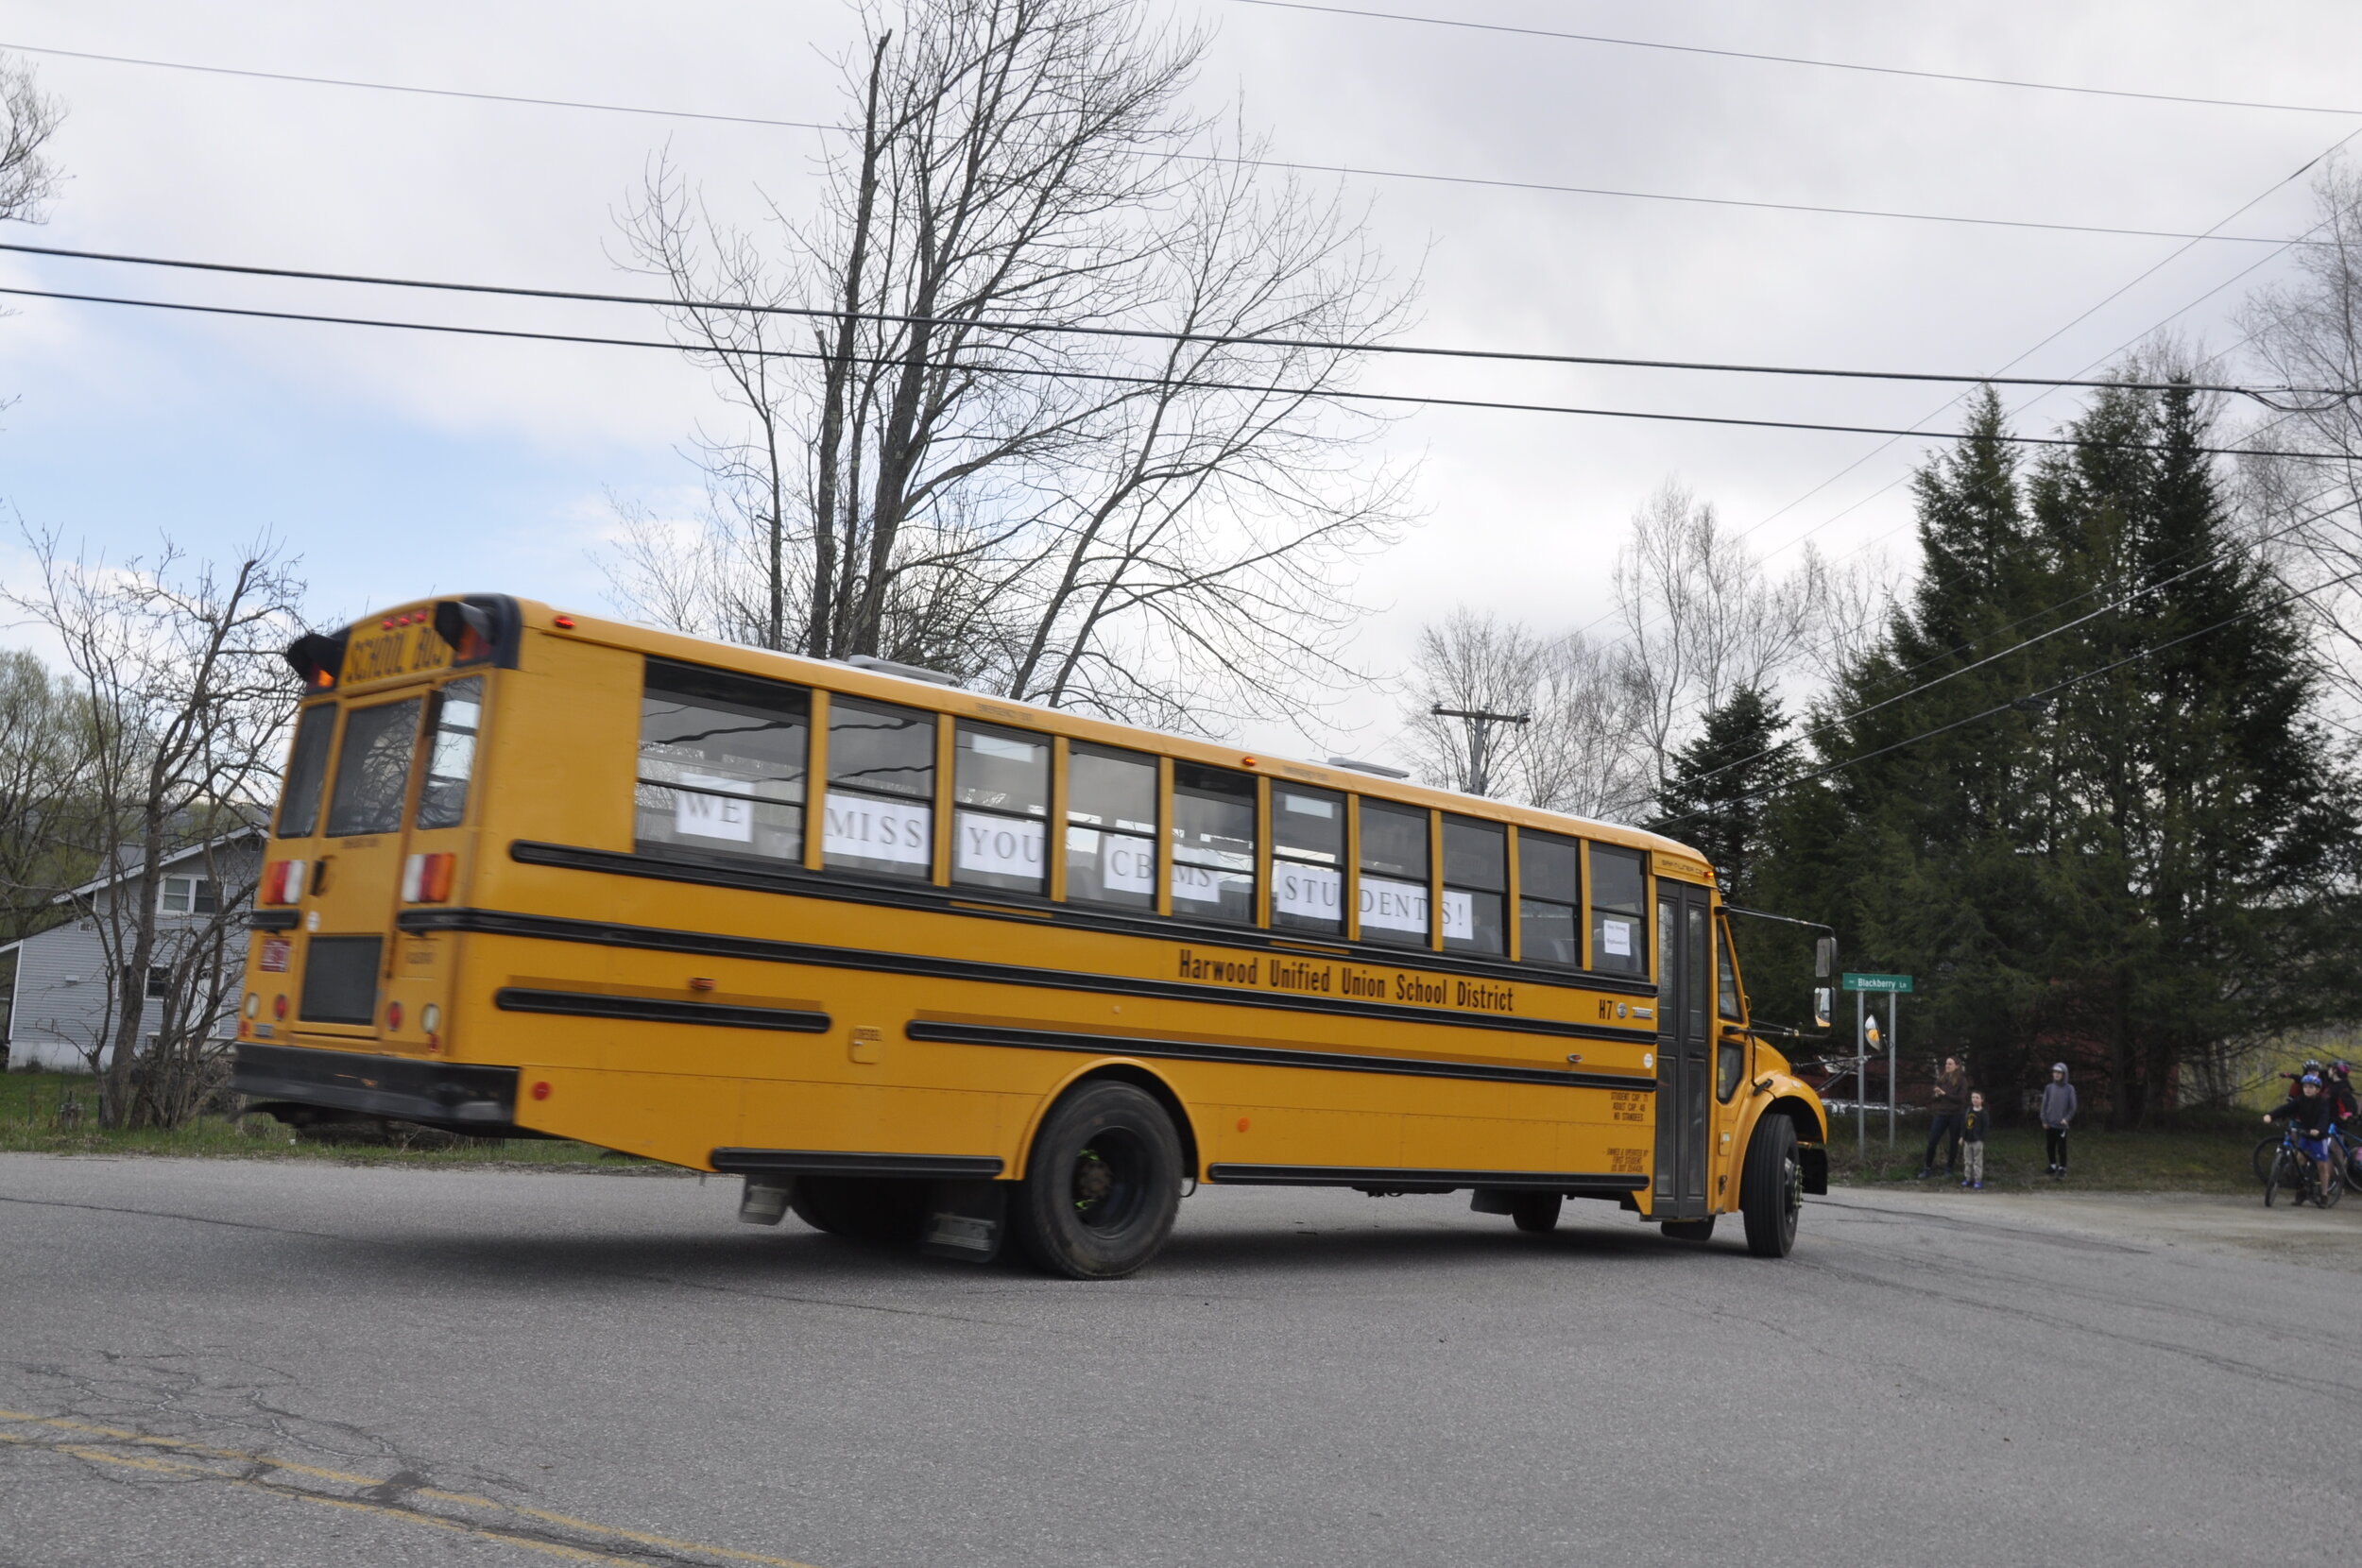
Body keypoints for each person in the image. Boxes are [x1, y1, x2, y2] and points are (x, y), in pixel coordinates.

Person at [2264, 1073, 2341, 1204]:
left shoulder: (2322, 1102)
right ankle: (2302, 1190)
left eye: (2311, 1087)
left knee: (2321, 1164)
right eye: (2305, 1087)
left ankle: (2324, 1194)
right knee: (2300, 1160)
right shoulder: (2300, 1100)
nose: (2307, 1089)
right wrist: (2271, 1115)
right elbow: (2286, 1108)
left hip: (2318, 1136)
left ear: (2317, 1089)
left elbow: (2324, 1118)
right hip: (2305, 1133)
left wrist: (2319, 1129)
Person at [1917, 1055, 1967, 1180]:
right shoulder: (1942, 1079)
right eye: (1946, 1064)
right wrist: (1937, 1094)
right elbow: (1934, 1096)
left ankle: (1949, 1168)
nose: (1947, 1066)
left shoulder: (1962, 1080)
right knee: (1932, 1141)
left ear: (1957, 1066)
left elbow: (1960, 1099)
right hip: (1942, 1114)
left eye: (1950, 1064)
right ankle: (1927, 1168)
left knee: (1953, 1143)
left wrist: (1945, 1094)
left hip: (1956, 1114)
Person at [2039, 1063, 2078, 1178]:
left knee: (2061, 1148)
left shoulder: (2069, 1089)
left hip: (2061, 1125)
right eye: (2055, 1072)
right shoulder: (2049, 1088)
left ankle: (2062, 1168)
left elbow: (2073, 1107)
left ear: (2064, 1074)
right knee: (2050, 1146)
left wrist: (2066, 1119)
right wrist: (2044, 1120)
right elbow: (2044, 1105)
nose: (2056, 1074)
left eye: (2059, 1072)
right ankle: (2052, 1165)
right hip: (2050, 1124)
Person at [1959, 1091, 1991, 1190]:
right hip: (1967, 1141)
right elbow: (1964, 1125)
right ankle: (1968, 1178)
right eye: (1973, 1097)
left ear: (1982, 1100)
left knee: (1977, 1161)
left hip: (1977, 1141)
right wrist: (1962, 1137)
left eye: (1977, 1097)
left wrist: (1981, 1139)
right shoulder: (1968, 1111)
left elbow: (1985, 1127)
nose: (1974, 1099)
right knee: (1968, 1161)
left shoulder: (1983, 1113)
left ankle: (1978, 1180)